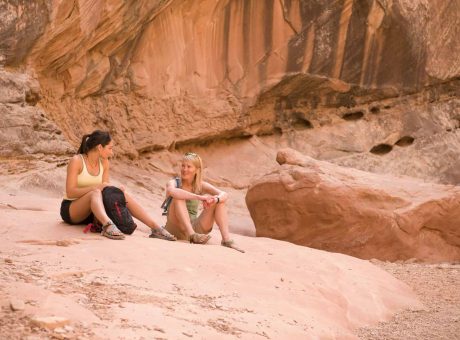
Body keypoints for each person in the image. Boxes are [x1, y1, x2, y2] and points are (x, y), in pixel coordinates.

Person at [60, 130, 176, 241]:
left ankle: (156, 228)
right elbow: (70, 192)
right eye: (110, 148)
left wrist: (114, 190)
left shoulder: (104, 162)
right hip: (72, 210)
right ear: (100, 147)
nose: (112, 152)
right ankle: (107, 226)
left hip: (93, 213)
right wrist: (96, 187)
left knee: (121, 194)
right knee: (95, 193)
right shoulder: (77, 161)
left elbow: (104, 189)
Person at [163, 152, 244, 252]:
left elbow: (224, 194)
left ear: (197, 170)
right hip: (176, 227)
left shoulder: (200, 185)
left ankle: (226, 240)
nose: (184, 169)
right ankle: (192, 235)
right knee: (177, 197)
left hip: (195, 228)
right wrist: (199, 197)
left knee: (219, 201)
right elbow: (171, 191)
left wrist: (215, 199)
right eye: (183, 166)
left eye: (189, 167)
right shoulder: (174, 182)